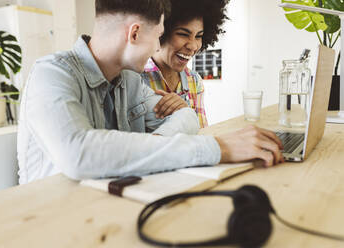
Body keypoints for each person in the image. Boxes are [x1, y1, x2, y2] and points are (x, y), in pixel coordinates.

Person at [17, 0, 284, 184]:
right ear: (134, 33)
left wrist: (151, 150)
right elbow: (78, 154)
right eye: (158, 35)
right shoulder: (51, 74)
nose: (158, 44)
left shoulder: (128, 82)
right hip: (49, 221)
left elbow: (188, 118)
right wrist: (219, 147)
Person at [142, 0, 228, 128]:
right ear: (161, 33)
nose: (193, 46)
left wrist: (185, 113)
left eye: (199, 36)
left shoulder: (194, 80)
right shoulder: (134, 78)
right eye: (183, 34)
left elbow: (201, 134)